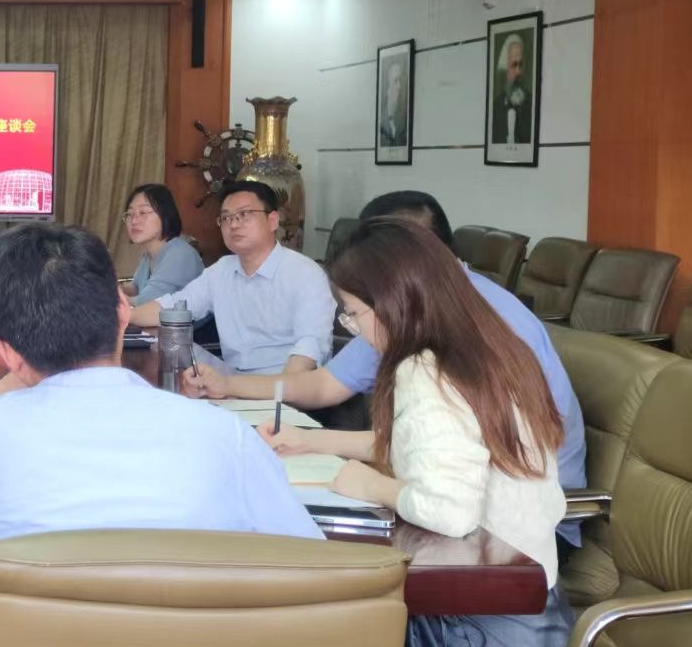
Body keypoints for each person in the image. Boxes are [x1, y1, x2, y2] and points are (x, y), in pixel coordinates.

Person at [258, 218, 571, 647]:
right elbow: (427, 445)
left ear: (395, 303)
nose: (353, 328)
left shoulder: (426, 371)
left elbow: (447, 511)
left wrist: (369, 483)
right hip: (533, 623)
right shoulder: (485, 346)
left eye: (354, 313)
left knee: (300, 640)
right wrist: (314, 441)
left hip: (484, 642)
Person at [0, 222, 321, 559]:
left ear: (6, 353)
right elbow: (308, 557)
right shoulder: (224, 436)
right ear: (123, 311)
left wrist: (2, 390)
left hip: (42, 636)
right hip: (187, 634)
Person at [183, 190, 586, 511]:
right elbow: (329, 389)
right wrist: (303, 437)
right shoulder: (408, 315)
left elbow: (457, 493)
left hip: (512, 522)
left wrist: (372, 485)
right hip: (454, 493)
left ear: (407, 260)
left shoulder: (481, 327)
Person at [128, 180, 334, 376]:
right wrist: (124, 316)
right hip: (230, 380)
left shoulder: (304, 273)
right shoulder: (222, 270)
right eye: (226, 218)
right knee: (156, 350)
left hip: (282, 384)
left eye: (244, 215)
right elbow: (174, 306)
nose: (233, 224)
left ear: (272, 221)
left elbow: (309, 351)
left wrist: (278, 394)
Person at [121, 183, 204, 306]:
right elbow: (136, 288)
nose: (133, 221)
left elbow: (146, 303)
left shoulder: (180, 254)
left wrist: (107, 294)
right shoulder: (148, 255)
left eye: (143, 212)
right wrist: (115, 288)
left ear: (165, 214)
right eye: (129, 214)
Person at [491, 32, 532, 146]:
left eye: (521, 65)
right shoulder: (495, 107)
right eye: (514, 65)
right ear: (505, 68)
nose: (519, 72)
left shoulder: (532, 104)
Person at [379, 57, 409, 148]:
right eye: (395, 81)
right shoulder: (380, 120)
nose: (400, 86)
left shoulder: (405, 119)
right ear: (387, 87)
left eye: (401, 80)